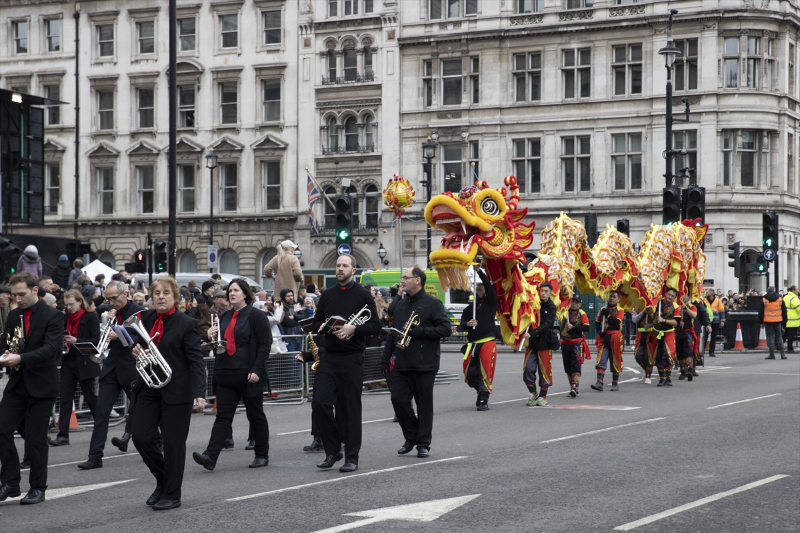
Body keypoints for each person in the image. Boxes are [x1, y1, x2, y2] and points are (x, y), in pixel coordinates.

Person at [130, 276, 206, 511]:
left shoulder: (186, 323)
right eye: (157, 293)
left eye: (166, 293)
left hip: (177, 391)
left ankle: (172, 493)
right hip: (150, 387)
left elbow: (196, 360)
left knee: (173, 444)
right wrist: (137, 351)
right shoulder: (145, 319)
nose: (161, 297)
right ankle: (164, 479)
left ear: (175, 297)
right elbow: (139, 346)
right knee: (140, 437)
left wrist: (199, 392)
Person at [311, 254, 380, 472]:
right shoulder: (328, 294)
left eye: (344, 266)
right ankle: (333, 450)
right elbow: (316, 321)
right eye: (338, 265)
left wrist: (353, 328)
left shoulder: (363, 294)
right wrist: (322, 326)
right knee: (320, 403)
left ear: (353, 270)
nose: (340, 269)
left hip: (352, 357)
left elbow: (376, 325)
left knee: (350, 409)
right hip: (329, 356)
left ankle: (351, 457)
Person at [193, 279, 271, 472]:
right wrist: (211, 336)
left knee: (255, 415)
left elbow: (265, 344)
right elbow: (219, 344)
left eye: (236, 290)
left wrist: (257, 369)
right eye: (230, 291)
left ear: (245, 294)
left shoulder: (256, 316)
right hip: (226, 374)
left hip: (248, 375)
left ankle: (262, 454)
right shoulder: (225, 316)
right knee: (223, 417)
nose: (232, 294)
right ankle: (210, 456)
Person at [0, 271, 63, 505]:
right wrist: (6, 354)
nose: (17, 299)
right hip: (18, 383)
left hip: (42, 384)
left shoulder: (53, 315)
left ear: (35, 290)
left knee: (36, 439)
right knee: (2, 428)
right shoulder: (14, 315)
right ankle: (10, 482)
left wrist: (20, 358)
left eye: (22, 294)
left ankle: (38, 487)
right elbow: (5, 343)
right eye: (14, 295)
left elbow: (51, 349)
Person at [382, 266, 451, 456]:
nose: (402, 281)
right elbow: (393, 335)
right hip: (402, 362)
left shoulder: (433, 303)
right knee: (398, 400)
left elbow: (445, 329)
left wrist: (418, 332)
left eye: (405, 277)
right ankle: (411, 436)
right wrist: (384, 359)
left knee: (424, 405)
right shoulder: (400, 305)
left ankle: (423, 444)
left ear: (417, 280)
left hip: (425, 364)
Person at [78, 281, 147, 469]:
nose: (111, 302)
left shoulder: (139, 312)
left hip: (131, 367)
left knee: (142, 410)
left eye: (114, 298)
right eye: (108, 299)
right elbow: (105, 339)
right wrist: (106, 327)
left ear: (125, 294)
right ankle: (95, 456)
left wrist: (121, 335)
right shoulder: (111, 313)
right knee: (101, 412)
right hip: (111, 369)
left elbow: (144, 338)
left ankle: (156, 443)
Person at [50, 290, 101, 447]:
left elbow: (96, 340)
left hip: (84, 362)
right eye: (67, 305)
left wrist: (76, 340)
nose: (69, 307)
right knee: (65, 398)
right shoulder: (65, 317)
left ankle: (101, 427)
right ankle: (63, 434)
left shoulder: (91, 316)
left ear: (80, 302)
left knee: (90, 397)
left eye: (72, 304)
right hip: (69, 361)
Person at [459, 267, 498, 411]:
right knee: (469, 372)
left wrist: (479, 272)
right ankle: (480, 389)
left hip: (487, 342)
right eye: (476, 290)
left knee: (485, 371)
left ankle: (483, 396)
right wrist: (467, 324)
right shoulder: (469, 309)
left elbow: (488, 285)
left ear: (486, 292)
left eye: (480, 290)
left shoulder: (491, 303)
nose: (477, 292)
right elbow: (461, 326)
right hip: (473, 343)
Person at [523, 282, 558, 406]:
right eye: (541, 291)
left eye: (546, 291)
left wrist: (533, 333)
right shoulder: (533, 303)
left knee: (544, 371)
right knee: (528, 369)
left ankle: (543, 396)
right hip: (532, 344)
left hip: (544, 344)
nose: (543, 293)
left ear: (550, 293)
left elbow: (547, 324)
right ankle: (533, 393)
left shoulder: (551, 307)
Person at [591, 290, 625, 392]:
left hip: (615, 337)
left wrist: (609, 316)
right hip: (604, 337)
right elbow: (597, 322)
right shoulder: (602, 309)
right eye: (610, 296)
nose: (611, 298)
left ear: (618, 299)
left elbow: (617, 323)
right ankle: (599, 382)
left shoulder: (620, 310)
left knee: (615, 359)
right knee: (601, 358)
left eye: (614, 297)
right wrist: (599, 331)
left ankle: (615, 383)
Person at [560, 294, 590, 397]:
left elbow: (586, 327)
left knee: (575, 366)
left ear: (580, 304)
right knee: (568, 367)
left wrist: (573, 327)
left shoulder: (581, 314)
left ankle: (574, 386)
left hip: (576, 343)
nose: (573, 304)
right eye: (572, 301)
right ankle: (572, 387)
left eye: (576, 302)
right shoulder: (564, 312)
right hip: (565, 343)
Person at [653, 288, 682, 386]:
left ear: (675, 297)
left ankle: (668, 377)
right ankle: (662, 378)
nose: (670, 297)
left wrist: (664, 320)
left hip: (668, 333)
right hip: (656, 333)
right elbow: (650, 312)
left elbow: (676, 323)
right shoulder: (658, 302)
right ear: (665, 293)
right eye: (669, 294)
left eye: (672, 296)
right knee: (658, 356)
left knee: (668, 355)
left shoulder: (676, 307)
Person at [759, 286, 787, 360]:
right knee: (779, 336)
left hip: (768, 321)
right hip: (778, 320)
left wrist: (761, 322)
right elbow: (784, 311)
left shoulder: (764, 299)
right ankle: (783, 354)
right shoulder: (780, 299)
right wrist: (784, 321)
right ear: (774, 290)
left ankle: (772, 354)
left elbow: (760, 312)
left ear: (767, 291)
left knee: (770, 337)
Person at [676, 294, 698, 382]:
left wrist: (685, 307)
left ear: (688, 297)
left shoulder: (692, 306)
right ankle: (682, 371)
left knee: (688, 352)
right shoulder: (675, 306)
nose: (682, 297)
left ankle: (689, 370)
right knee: (679, 353)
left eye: (684, 295)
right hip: (677, 332)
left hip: (687, 332)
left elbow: (694, 315)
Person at [632, 306, 657, 384]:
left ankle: (648, 376)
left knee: (648, 356)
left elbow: (657, 321)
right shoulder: (637, 309)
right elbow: (634, 320)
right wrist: (642, 312)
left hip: (650, 334)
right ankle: (646, 370)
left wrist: (650, 324)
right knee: (638, 356)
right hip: (640, 335)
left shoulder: (655, 309)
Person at [703, 289, 725, 357]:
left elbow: (721, 311)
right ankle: (702, 351)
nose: (706, 293)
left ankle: (711, 351)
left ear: (712, 293)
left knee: (713, 338)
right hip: (706, 321)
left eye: (708, 292)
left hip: (715, 321)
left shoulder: (718, 301)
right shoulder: (704, 300)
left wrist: (722, 321)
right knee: (705, 337)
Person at [783, 286, 799, 353]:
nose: (797, 291)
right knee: (791, 335)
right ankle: (790, 348)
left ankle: (779, 346)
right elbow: (799, 309)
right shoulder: (794, 299)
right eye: (796, 290)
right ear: (793, 290)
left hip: (785, 319)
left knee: (786, 334)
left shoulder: (785, 297)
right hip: (793, 320)